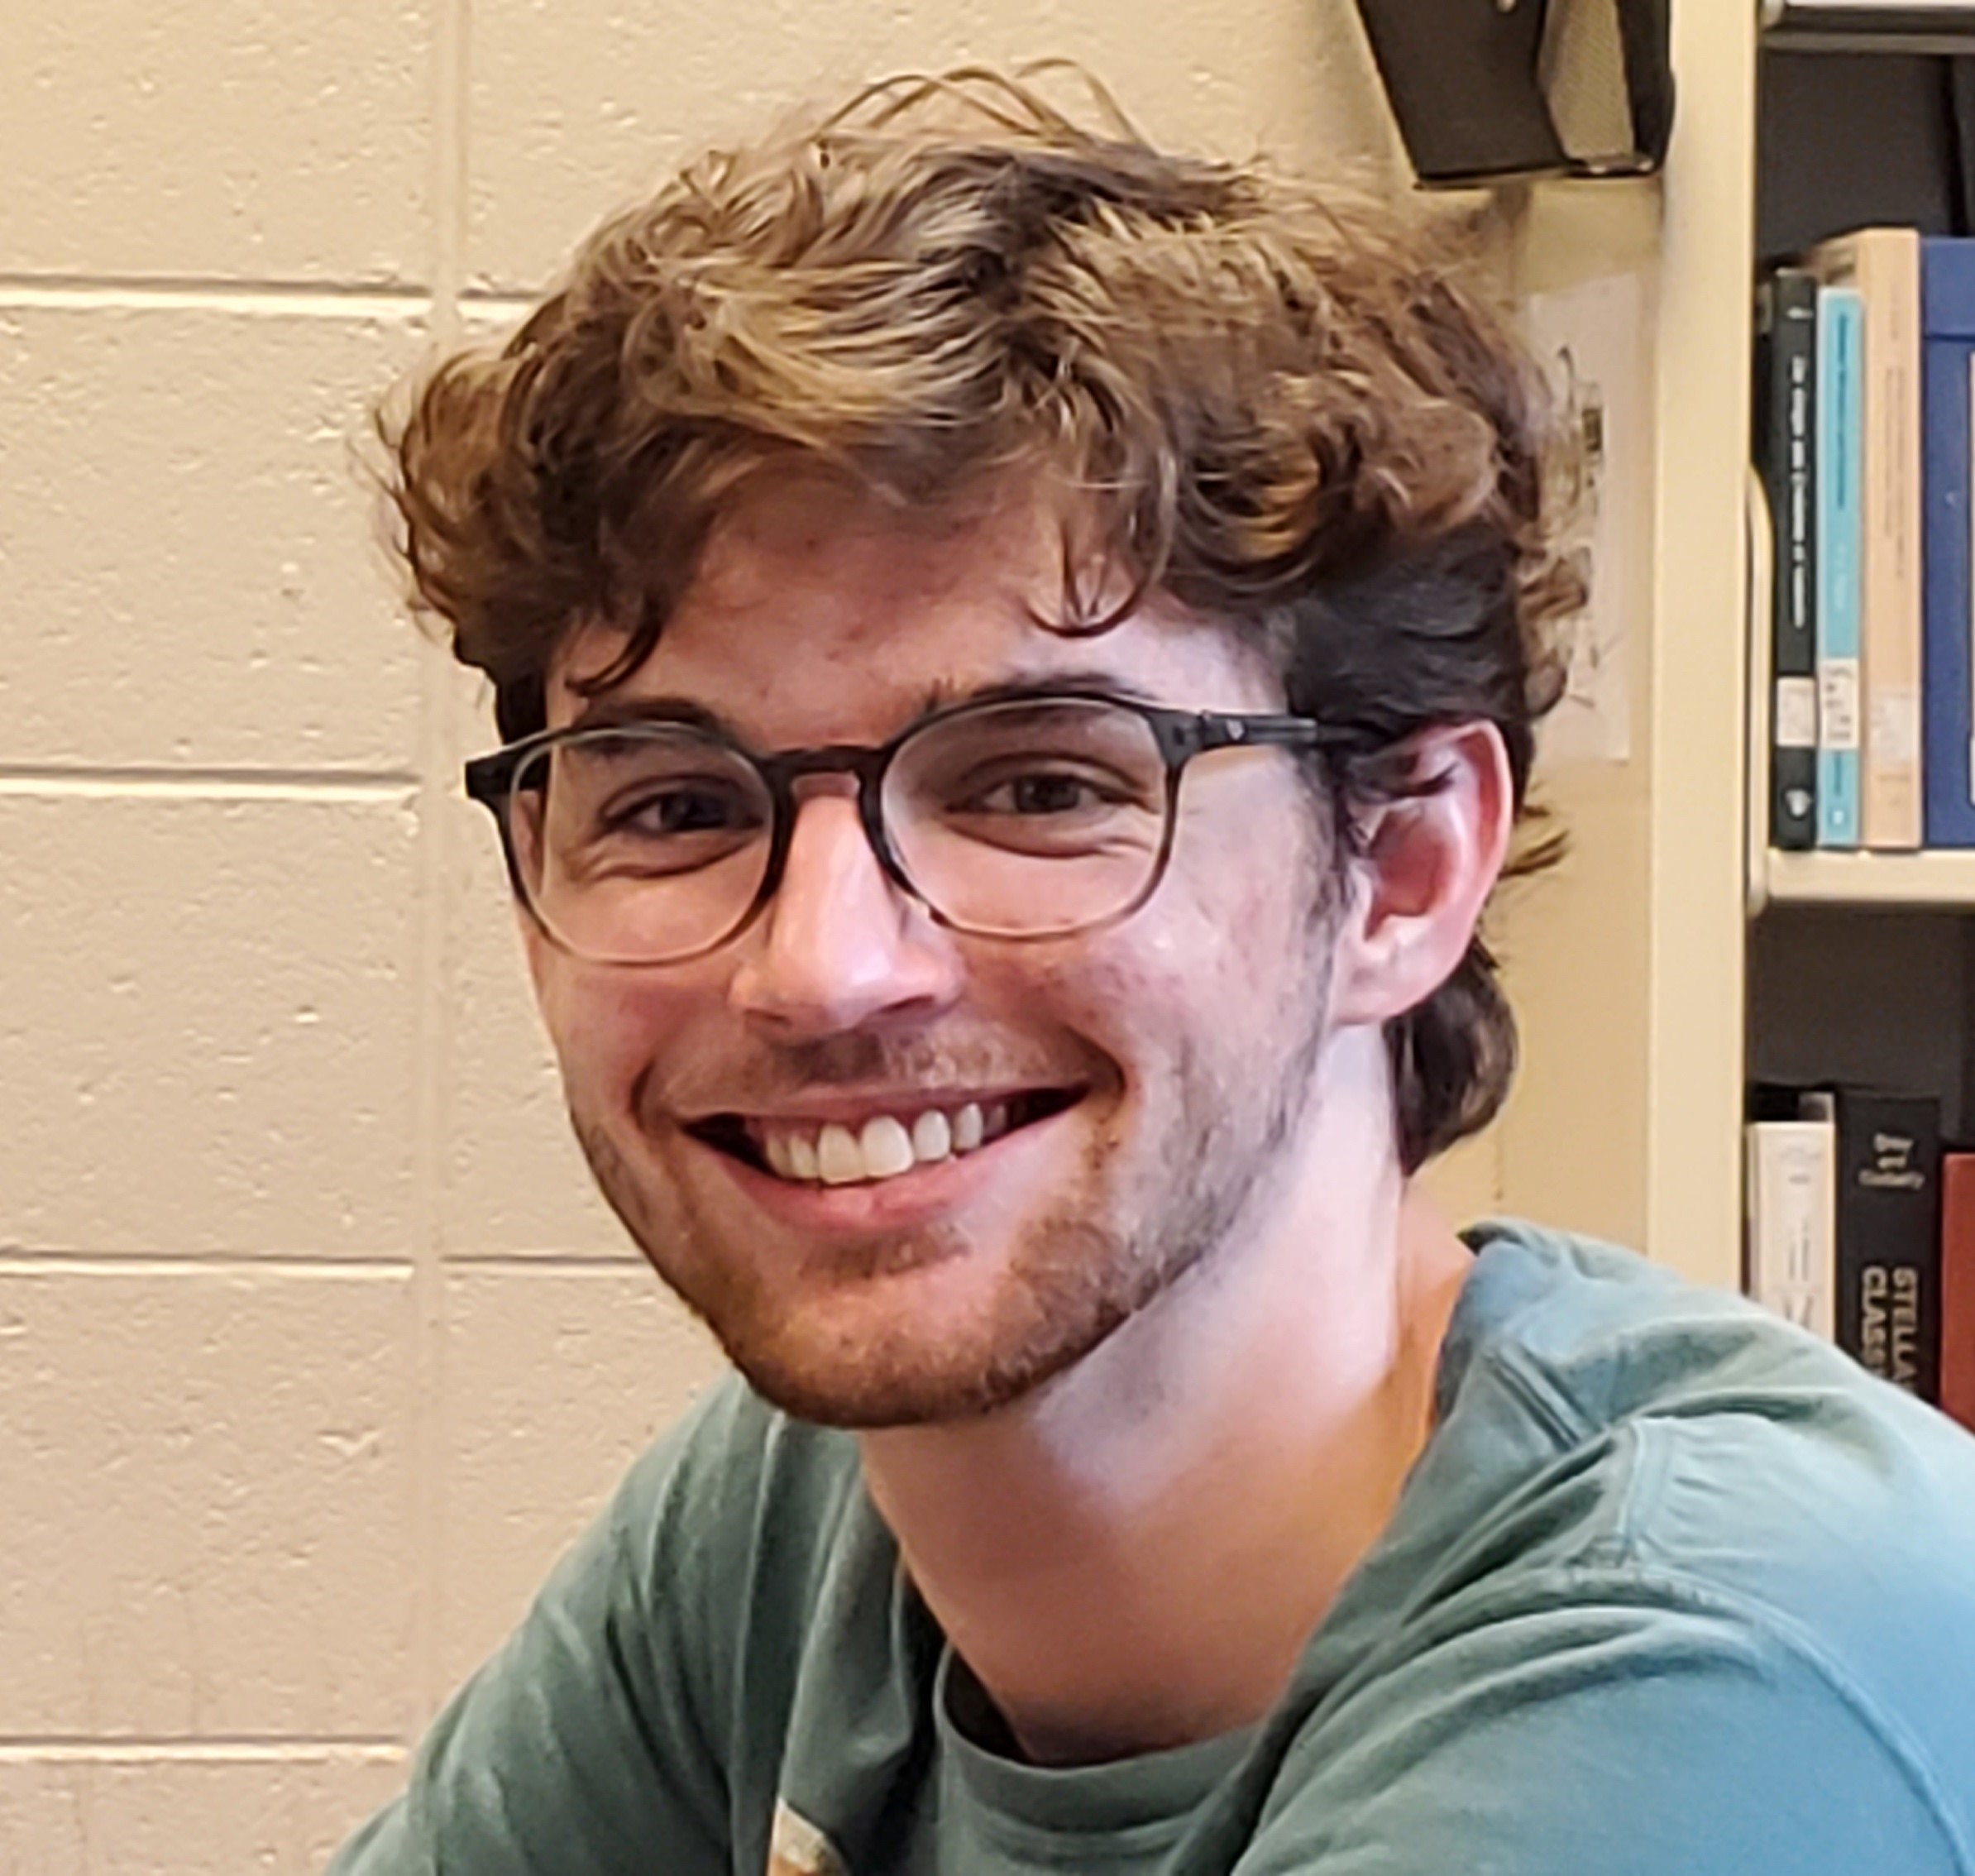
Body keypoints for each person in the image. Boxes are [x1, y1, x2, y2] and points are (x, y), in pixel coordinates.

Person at [329, 69, 1975, 1875]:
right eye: (674, 807)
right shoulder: (797, 1529)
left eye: (1039, 788)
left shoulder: (1715, 1660)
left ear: (1405, 867)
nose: (822, 968)